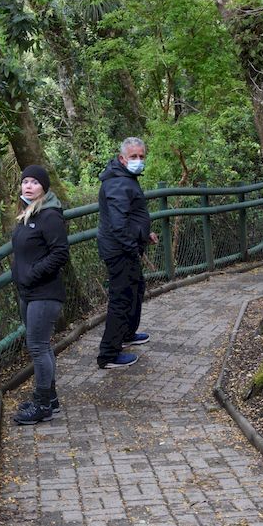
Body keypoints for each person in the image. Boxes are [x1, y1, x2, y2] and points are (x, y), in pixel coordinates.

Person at [11, 165, 69, 424]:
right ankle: (51, 398)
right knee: (39, 347)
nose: (28, 186)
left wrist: (31, 274)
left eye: (34, 182)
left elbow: (60, 254)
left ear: (44, 187)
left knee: (38, 347)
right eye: (25, 182)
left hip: (44, 293)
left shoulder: (50, 216)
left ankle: (43, 403)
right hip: (29, 292)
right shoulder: (27, 213)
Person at [96, 137, 158, 369]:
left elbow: (130, 216)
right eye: (134, 157)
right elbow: (118, 224)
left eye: (141, 156)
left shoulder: (125, 178)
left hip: (125, 248)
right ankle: (108, 355)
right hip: (119, 251)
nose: (138, 161)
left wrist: (144, 234)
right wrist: (133, 249)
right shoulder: (117, 183)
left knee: (135, 290)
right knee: (121, 299)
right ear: (122, 159)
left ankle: (127, 333)